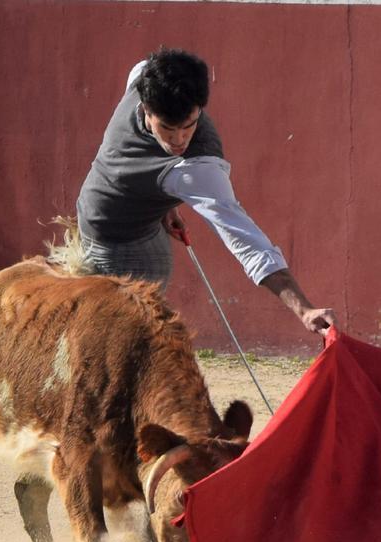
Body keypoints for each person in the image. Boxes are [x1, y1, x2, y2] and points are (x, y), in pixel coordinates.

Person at [76, 48, 335, 335]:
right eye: (168, 128)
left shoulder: (197, 169)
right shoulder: (142, 76)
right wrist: (165, 201)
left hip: (125, 250)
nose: (179, 141)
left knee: (122, 338)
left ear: (199, 108)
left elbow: (247, 242)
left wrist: (304, 309)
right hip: (119, 224)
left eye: (189, 126)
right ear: (146, 108)